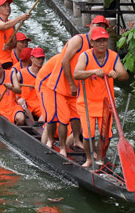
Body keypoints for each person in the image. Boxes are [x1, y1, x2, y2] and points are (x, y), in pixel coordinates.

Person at [38, 15, 110, 154]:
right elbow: (65, 61)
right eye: (98, 25)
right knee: (61, 118)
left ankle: (77, 141)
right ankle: (59, 147)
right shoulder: (79, 40)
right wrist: (71, 84)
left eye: (103, 27)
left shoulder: (97, 48)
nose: (100, 29)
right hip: (59, 86)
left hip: (76, 89)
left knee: (78, 116)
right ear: (91, 26)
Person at [72, 26, 129, 168]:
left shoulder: (113, 56)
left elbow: (124, 75)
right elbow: (77, 74)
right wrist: (92, 72)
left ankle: (100, 158)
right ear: (92, 43)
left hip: (106, 103)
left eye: (104, 40)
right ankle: (89, 159)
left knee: (106, 136)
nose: (102, 44)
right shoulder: (85, 56)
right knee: (89, 135)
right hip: (87, 103)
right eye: (98, 41)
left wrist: (117, 74)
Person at [0, 0, 29, 68]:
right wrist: (20, 18)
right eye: (4, 6)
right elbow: (4, 26)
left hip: (8, 62)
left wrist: (9, 46)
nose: (8, 8)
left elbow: (14, 44)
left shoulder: (11, 25)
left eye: (8, 5)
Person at [18, 46, 45, 124]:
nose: (41, 61)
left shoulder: (45, 74)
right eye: (38, 58)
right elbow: (12, 87)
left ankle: (39, 126)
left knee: (48, 112)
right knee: (20, 101)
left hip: (39, 105)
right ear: (32, 58)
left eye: (42, 59)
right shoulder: (22, 73)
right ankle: (33, 123)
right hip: (25, 103)